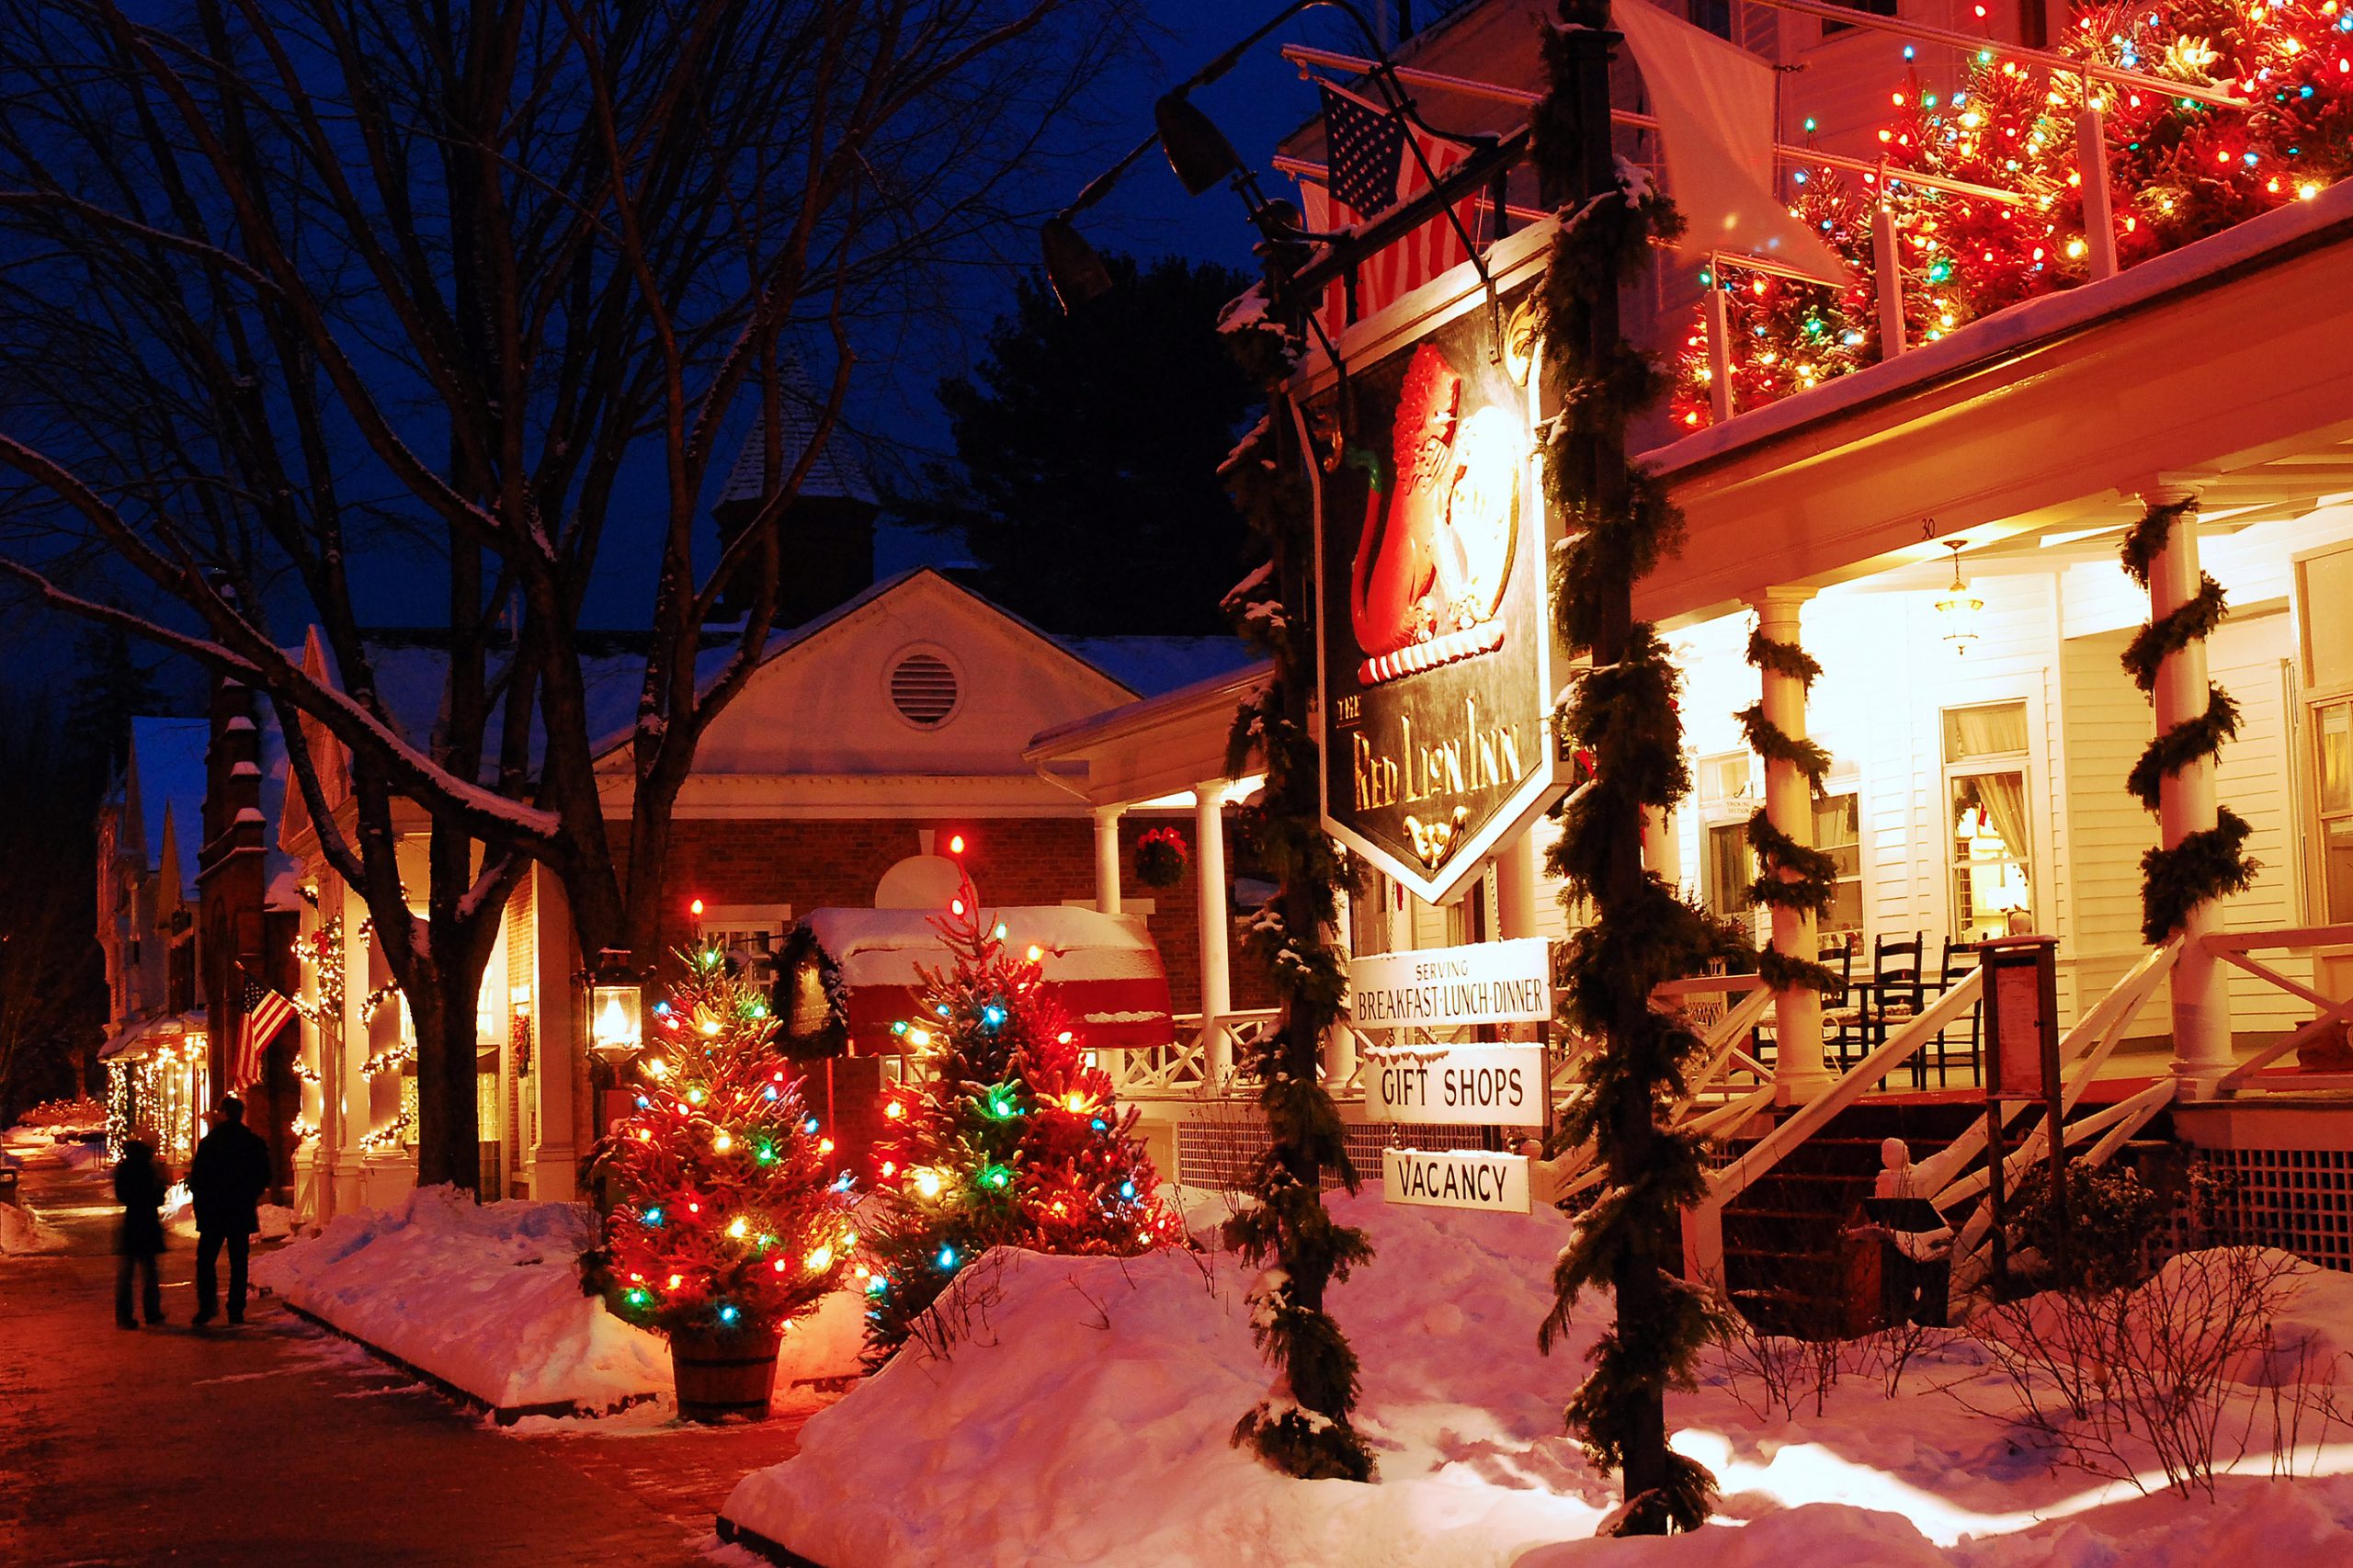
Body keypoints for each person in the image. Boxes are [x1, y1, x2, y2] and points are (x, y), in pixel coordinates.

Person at [188, 1096, 271, 1326]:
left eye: (219, 1111)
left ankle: (207, 1306)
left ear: (225, 1114)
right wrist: (249, 1194)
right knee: (239, 1261)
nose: (216, 1115)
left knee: (206, 1260)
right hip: (239, 1209)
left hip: (214, 1210)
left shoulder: (210, 1143)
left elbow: (199, 1179)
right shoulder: (252, 1142)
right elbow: (264, 1174)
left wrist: (203, 1202)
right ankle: (236, 1309)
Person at [112, 1126, 169, 1329]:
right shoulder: (149, 1168)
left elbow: (121, 1194)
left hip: (131, 1222)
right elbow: (158, 1195)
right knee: (149, 1271)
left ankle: (124, 1315)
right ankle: (152, 1312)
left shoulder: (125, 1168)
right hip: (148, 1221)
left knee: (127, 1273)